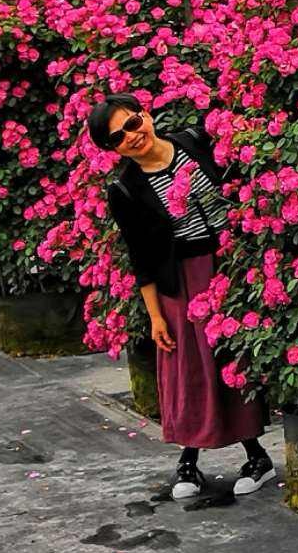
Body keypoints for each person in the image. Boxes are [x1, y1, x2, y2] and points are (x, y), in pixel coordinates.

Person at [92, 94, 274, 504]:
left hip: (229, 265)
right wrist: (155, 316)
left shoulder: (195, 141)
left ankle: (257, 456)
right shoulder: (126, 188)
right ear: (113, 149)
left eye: (133, 123)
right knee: (189, 368)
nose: (131, 136)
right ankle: (189, 460)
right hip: (182, 278)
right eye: (118, 137)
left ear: (147, 116)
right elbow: (141, 256)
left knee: (233, 360)